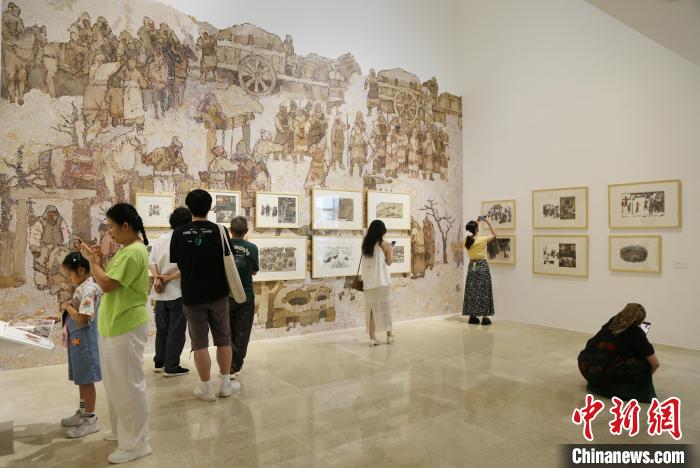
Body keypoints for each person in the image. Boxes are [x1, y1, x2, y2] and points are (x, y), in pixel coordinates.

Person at [79, 203, 152, 464]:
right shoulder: (127, 249)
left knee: (128, 385)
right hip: (115, 324)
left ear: (126, 226)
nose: (109, 232)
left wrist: (93, 263)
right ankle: (122, 432)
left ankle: (136, 444)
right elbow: (110, 280)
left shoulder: (133, 252)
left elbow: (108, 284)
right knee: (115, 384)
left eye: (111, 227)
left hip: (126, 325)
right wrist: (99, 263)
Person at [170, 189, 240, 401]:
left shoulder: (179, 233)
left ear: (189, 207)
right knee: (224, 339)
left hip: (192, 296)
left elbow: (179, 262)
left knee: (199, 343)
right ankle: (226, 385)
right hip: (218, 294)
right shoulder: (220, 230)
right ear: (210, 207)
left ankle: (206, 389)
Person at [58, 252, 102, 439]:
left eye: (70, 274)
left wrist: (67, 307)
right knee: (81, 379)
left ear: (81, 270)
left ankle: (90, 419)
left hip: (85, 342)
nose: (69, 278)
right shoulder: (82, 287)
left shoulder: (90, 289)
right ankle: (83, 412)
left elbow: (83, 319)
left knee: (87, 380)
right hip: (77, 340)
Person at [577, 303, 659, 403]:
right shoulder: (636, 332)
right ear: (640, 320)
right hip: (603, 375)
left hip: (586, 367)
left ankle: (600, 384)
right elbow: (655, 364)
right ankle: (620, 388)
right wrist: (643, 379)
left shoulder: (612, 322)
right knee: (644, 363)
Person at [149, 207, 191, 377]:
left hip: (160, 291)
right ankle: (172, 366)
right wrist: (168, 278)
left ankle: (160, 362)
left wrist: (158, 278)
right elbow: (186, 266)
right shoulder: (185, 239)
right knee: (176, 331)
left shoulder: (161, 238)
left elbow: (151, 262)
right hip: (177, 291)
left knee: (162, 329)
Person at [227, 216, 259, 378]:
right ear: (246, 231)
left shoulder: (224, 246)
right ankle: (235, 365)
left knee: (227, 331)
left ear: (230, 231)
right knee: (242, 332)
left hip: (227, 295)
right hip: (246, 295)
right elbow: (254, 271)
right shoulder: (252, 248)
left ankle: (226, 364)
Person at [361, 220, 394, 347]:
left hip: (369, 283)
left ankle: (372, 338)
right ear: (382, 231)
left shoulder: (365, 244)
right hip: (382, 281)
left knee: (371, 310)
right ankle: (389, 336)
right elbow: (389, 262)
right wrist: (391, 251)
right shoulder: (386, 244)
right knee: (385, 308)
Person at [462, 218, 496, 325]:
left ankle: (472, 316)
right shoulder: (482, 239)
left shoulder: (466, 241)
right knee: (484, 291)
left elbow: (471, 231)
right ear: (476, 229)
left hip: (472, 267)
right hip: (482, 266)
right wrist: (487, 222)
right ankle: (485, 318)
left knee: (472, 290)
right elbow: (494, 235)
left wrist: (476, 222)